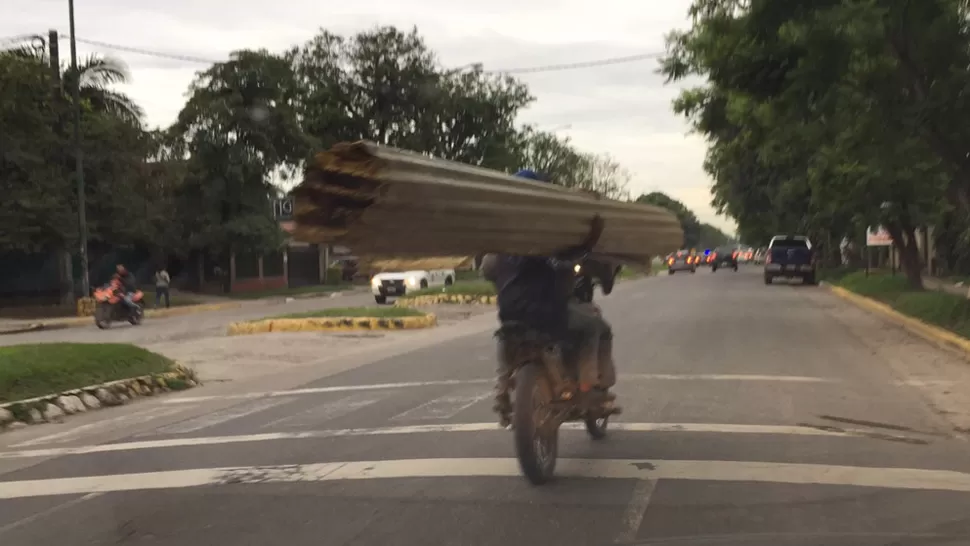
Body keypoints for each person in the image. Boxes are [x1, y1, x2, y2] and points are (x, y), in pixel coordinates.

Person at [482, 169, 618, 425]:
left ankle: (501, 390)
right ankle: (591, 386)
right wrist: (591, 237)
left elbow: (488, 270)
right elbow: (568, 256)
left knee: (505, 335)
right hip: (547, 313)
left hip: (510, 313)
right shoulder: (545, 236)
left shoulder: (500, 243)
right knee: (596, 327)